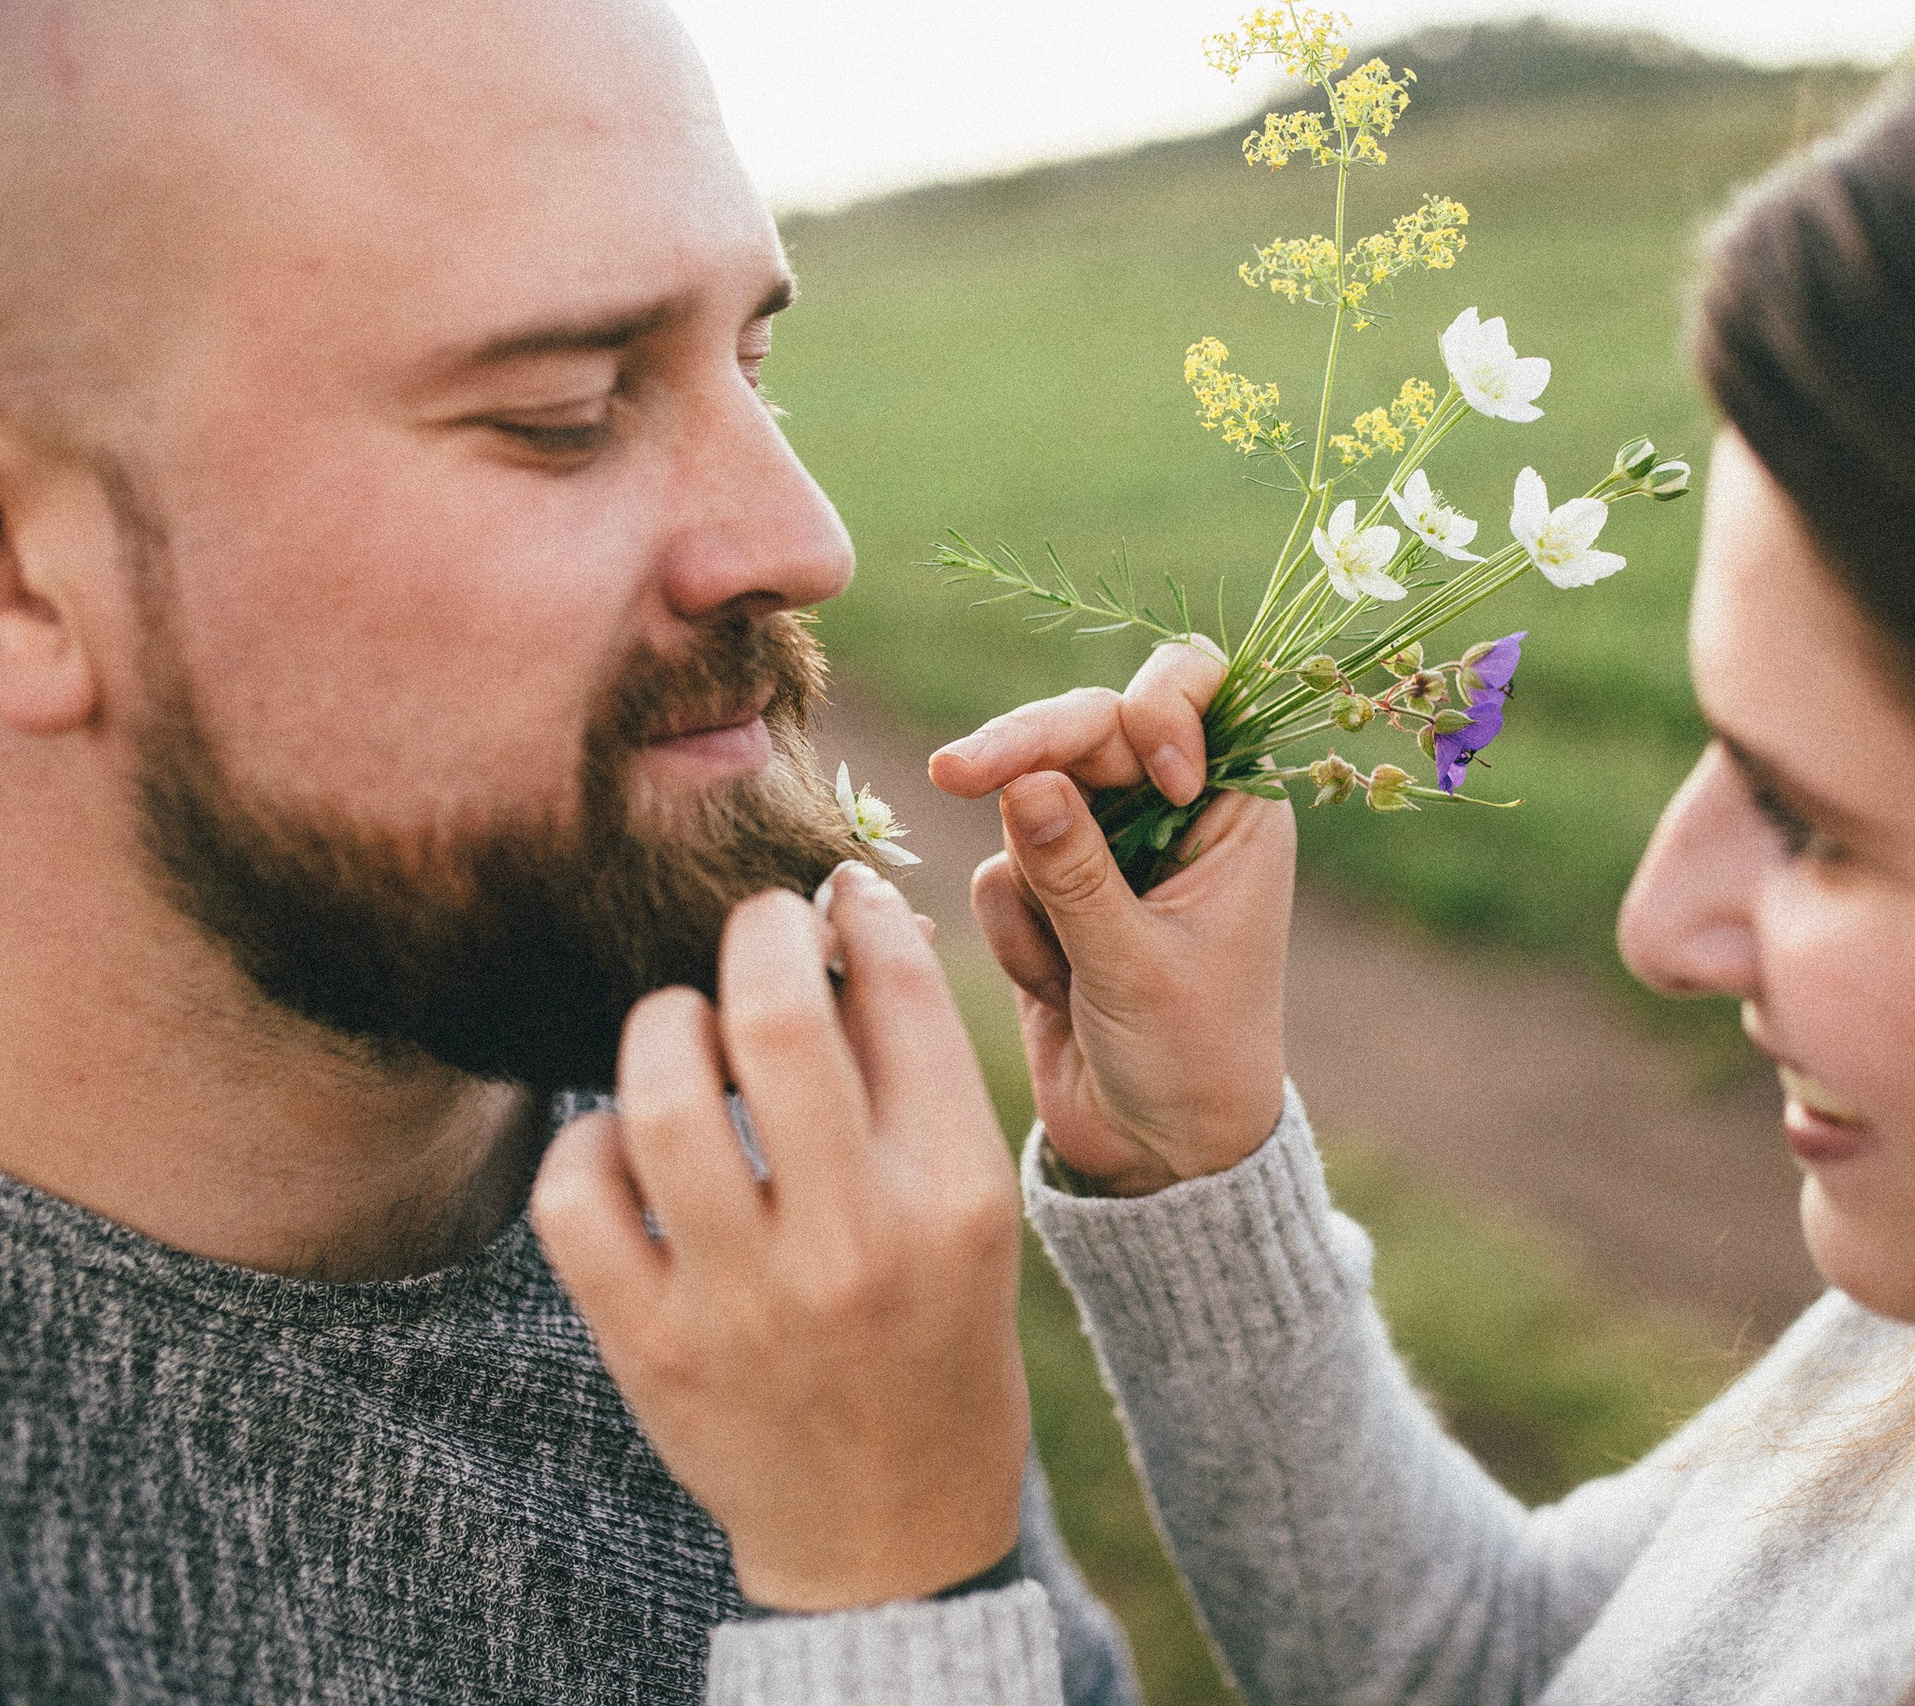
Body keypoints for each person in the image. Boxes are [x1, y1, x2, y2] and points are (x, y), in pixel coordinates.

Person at [532, 0, 1915, 1701]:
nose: (1658, 921)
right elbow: (1493, 1666)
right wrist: (1194, 1150)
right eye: (1714, 754)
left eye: (1820, 827)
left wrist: (886, 1580)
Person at [0, 1, 1134, 1700]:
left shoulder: (740, 1117)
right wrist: (886, 1606)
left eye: (753, 363)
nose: (804, 539)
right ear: (27, 579)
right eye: (563, 410)